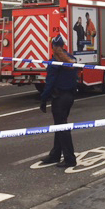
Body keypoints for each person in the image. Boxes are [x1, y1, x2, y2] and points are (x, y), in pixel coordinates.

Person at [40, 35, 79, 168]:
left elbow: (49, 83)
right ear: (63, 46)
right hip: (69, 97)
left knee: (62, 128)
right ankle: (55, 154)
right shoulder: (71, 59)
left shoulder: (54, 63)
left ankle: (70, 158)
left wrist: (44, 99)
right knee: (60, 126)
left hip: (59, 99)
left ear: (52, 47)